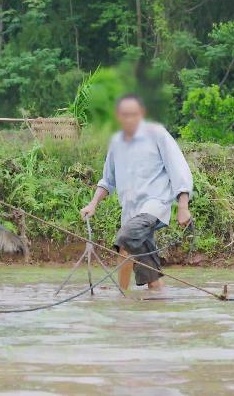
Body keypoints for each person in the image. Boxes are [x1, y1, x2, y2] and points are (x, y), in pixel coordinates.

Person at [78, 94, 194, 294]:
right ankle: (131, 295)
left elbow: (179, 169)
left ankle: (124, 295)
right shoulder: (116, 142)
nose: (129, 119)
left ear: (142, 114)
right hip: (130, 210)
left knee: (126, 236)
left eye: (133, 114)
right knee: (134, 255)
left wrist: (183, 207)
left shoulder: (157, 134)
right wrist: (93, 204)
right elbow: (108, 181)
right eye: (124, 115)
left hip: (154, 205)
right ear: (118, 117)